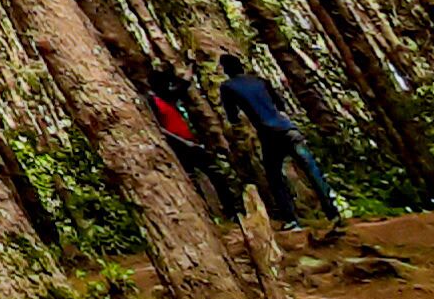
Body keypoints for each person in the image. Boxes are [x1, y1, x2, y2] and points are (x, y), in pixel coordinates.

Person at [217, 51, 344, 237]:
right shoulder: (260, 80)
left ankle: (292, 220)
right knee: (311, 169)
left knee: (275, 177)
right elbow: (280, 103)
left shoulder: (228, 87)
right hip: (289, 129)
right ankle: (333, 212)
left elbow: (232, 117)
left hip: (269, 135)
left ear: (226, 70)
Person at [143, 59, 228, 214]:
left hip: (189, 143)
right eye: (165, 81)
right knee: (192, 180)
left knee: (215, 173)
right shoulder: (151, 101)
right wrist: (184, 143)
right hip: (178, 146)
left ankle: (231, 212)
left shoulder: (166, 96)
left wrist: (190, 66)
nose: (168, 84)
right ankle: (207, 213)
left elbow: (183, 85)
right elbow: (157, 128)